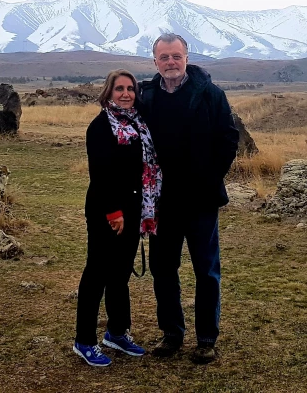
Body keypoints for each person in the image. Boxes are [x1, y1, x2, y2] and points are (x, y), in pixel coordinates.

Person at [138, 33, 239, 364]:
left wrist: (210, 178)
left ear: (187, 57)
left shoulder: (211, 94)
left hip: (201, 201)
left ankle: (207, 339)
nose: (170, 62)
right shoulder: (147, 96)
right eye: (164, 57)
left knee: (206, 271)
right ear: (155, 61)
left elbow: (228, 138)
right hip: (162, 203)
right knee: (163, 269)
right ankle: (172, 334)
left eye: (176, 56)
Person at [73, 69, 162, 367]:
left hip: (134, 210)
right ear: (108, 92)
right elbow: (101, 174)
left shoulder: (138, 123)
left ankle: (117, 332)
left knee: (120, 275)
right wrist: (113, 212)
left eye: (130, 89)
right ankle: (84, 340)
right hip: (106, 211)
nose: (125, 93)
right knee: (96, 274)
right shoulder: (101, 127)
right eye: (119, 88)